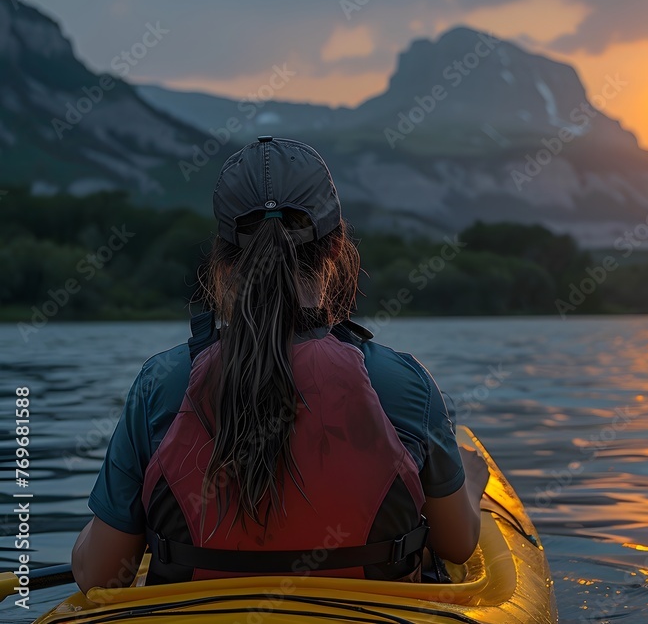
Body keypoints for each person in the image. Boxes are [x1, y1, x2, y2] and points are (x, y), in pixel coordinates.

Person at [71, 136, 489, 591]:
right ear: (335, 249)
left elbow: (99, 577)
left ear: (224, 262)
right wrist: (469, 479)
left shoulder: (160, 385)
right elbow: (458, 545)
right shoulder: (403, 383)